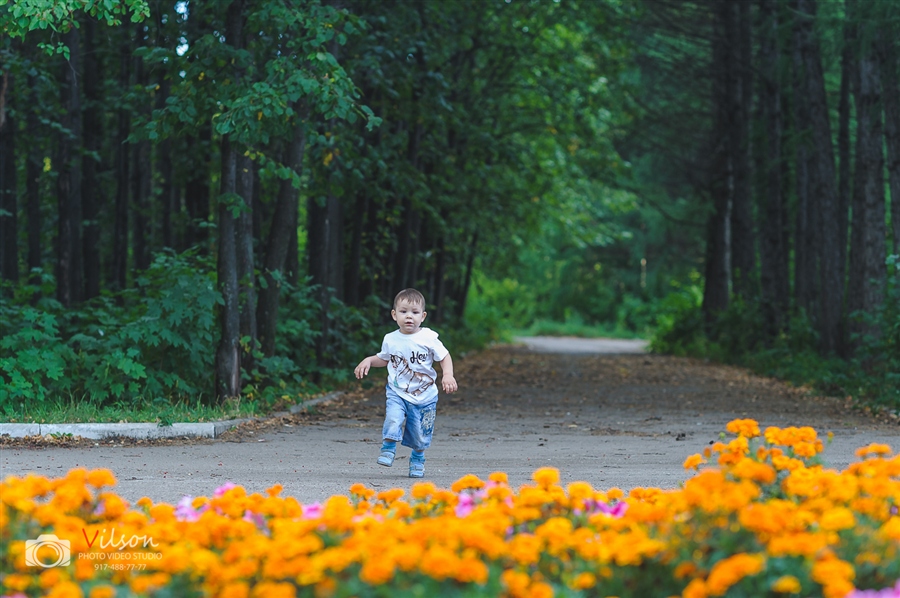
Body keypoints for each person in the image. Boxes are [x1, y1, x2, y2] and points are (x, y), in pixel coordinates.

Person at [354, 288, 458, 478]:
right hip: (398, 392)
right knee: (393, 418)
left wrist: (448, 375)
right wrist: (369, 360)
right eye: (403, 312)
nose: (409, 316)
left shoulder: (428, 337)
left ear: (423, 316)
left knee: (421, 433)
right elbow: (385, 358)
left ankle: (417, 459)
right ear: (394, 315)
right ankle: (388, 447)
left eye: (415, 312)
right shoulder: (390, 339)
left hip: (425, 396)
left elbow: (444, 356)